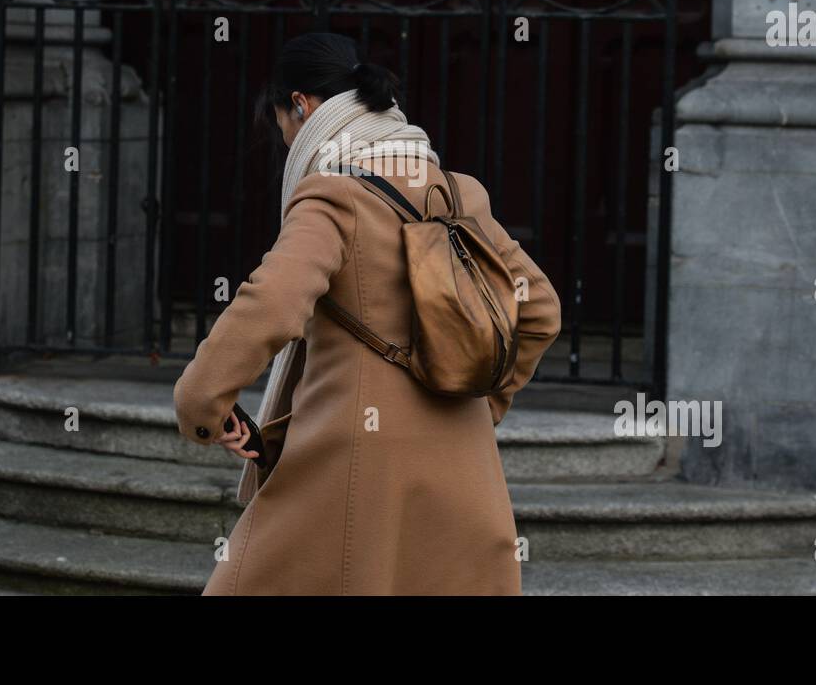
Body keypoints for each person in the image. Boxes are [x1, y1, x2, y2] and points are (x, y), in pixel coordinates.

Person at [172, 32, 562, 595]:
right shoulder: (459, 193)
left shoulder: (334, 197)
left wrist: (200, 402)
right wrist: (480, 399)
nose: (285, 139)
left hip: (350, 462)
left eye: (280, 122)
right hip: (465, 460)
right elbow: (540, 310)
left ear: (301, 104)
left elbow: (272, 303)